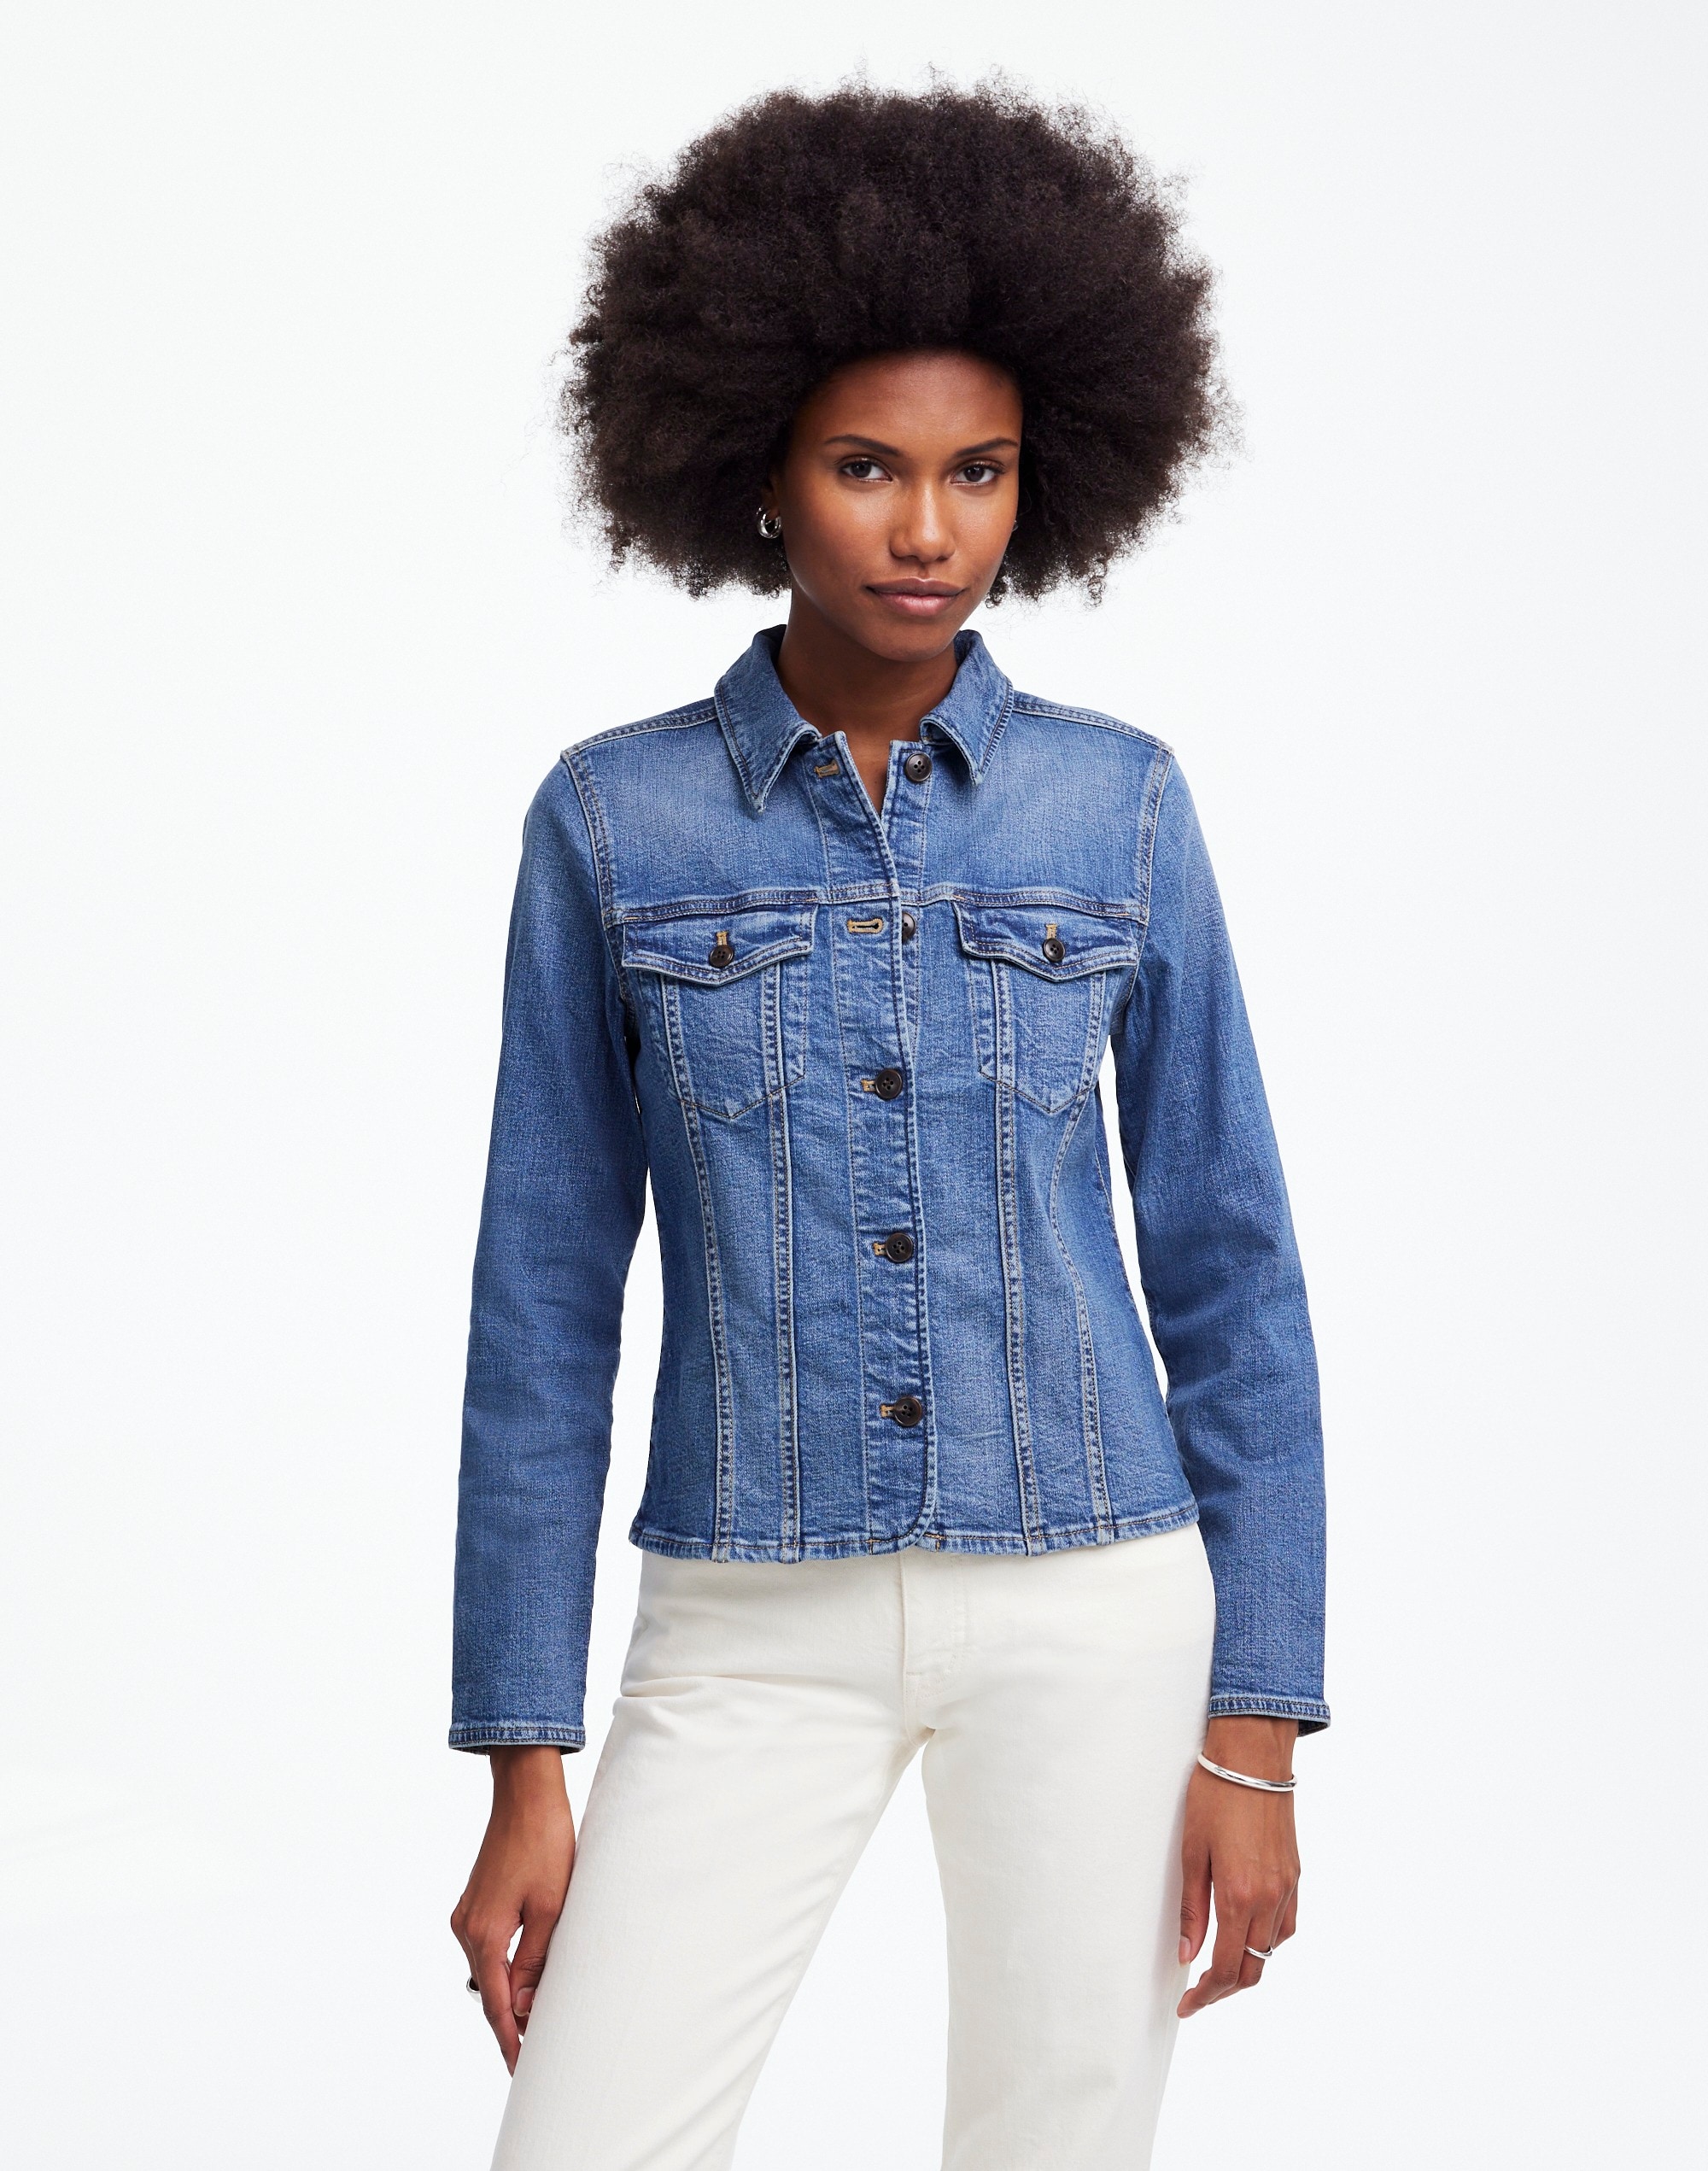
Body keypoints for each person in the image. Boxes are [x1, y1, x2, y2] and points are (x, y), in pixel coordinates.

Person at [448, 77, 1329, 2171]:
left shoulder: (1118, 804)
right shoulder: (612, 820)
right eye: (866, 466)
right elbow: (541, 1310)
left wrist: (1259, 1726)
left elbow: (1230, 1266)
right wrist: (523, 1752)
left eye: (977, 471)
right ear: (757, 467)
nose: (927, 528)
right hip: (746, 1609)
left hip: (1097, 1596)